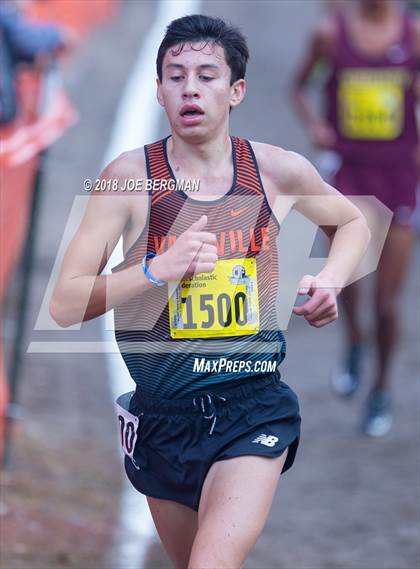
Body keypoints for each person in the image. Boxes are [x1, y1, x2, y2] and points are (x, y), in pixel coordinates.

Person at [50, 15, 370, 569]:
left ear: (236, 91)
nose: (190, 89)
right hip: (162, 417)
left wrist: (330, 280)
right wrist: (154, 270)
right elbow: (64, 303)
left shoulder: (275, 171)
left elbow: (353, 223)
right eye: (175, 76)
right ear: (159, 90)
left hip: (252, 409)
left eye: (206, 76)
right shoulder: (128, 180)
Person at [292, 0, 419, 437]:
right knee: (345, 278)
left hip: (401, 176)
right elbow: (297, 87)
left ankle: (381, 389)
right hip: (348, 171)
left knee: (388, 303)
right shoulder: (330, 34)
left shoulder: (413, 35)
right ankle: (354, 343)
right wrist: (315, 125)